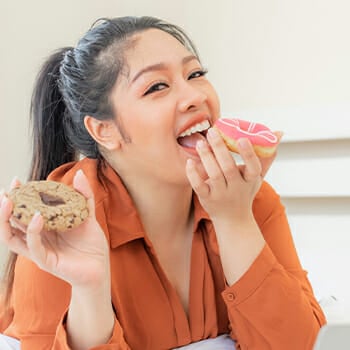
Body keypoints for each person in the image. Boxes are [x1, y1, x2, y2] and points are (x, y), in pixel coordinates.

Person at [0, 16, 326, 350]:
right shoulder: (61, 231)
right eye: (157, 86)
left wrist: (234, 222)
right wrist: (89, 291)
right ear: (104, 130)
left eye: (195, 74)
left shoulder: (246, 200)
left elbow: (303, 345)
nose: (194, 96)